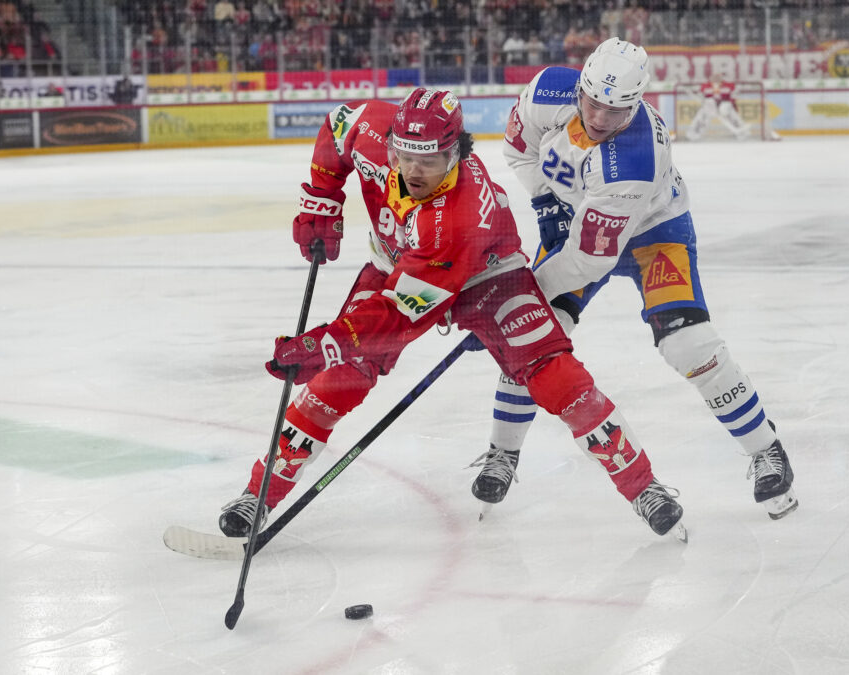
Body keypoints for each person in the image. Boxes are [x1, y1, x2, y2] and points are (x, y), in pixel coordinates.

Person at [218, 87, 686, 539]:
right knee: (338, 381)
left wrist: (326, 343)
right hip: (396, 264)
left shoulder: (457, 216)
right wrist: (322, 195)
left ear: (456, 153)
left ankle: (642, 486)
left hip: (485, 275)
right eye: (405, 156)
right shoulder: (373, 130)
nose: (414, 170)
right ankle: (258, 494)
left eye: (430, 160)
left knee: (553, 372)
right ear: (391, 144)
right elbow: (337, 126)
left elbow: (399, 317)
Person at [475, 38, 797, 520]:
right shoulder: (546, 91)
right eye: (594, 103)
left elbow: (588, 261)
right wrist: (544, 201)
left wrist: (527, 295)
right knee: (533, 337)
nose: (602, 118)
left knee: (689, 345)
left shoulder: (634, 161)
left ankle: (766, 448)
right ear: (579, 87)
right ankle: (503, 451)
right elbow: (519, 150)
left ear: (639, 101)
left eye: (619, 108)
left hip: (653, 231)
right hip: (576, 219)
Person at [686, 75, 753, 141]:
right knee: (705, 111)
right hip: (710, 107)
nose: (716, 83)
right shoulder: (705, 86)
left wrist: (728, 103)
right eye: (714, 81)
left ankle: (742, 133)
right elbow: (701, 98)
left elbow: (734, 96)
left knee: (727, 110)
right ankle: (694, 132)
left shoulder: (729, 86)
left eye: (718, 81)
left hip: (724, 106)